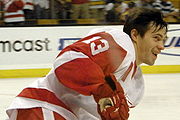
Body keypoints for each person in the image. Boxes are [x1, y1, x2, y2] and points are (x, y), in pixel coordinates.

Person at [6, 7, 167, 120]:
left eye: (164, 40)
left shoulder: (135, 86)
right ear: (135, 35)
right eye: (156, 38)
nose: (161, 46)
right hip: (45, 106)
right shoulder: (121, 45)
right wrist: (102, 91)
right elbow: (69, 60)